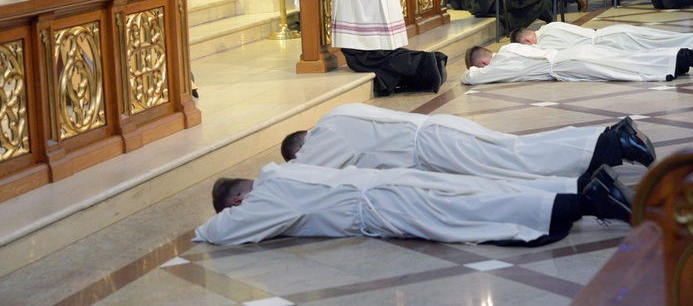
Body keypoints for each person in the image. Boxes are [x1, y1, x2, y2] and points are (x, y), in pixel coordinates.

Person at [194, 161, 633, 247]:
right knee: (478, 191)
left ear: (237, 199)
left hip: (382, 205)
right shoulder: (281, 172)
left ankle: (584, 202)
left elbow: (218, 232)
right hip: (388, 181)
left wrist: (202, 226)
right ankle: (578, 190)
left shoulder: (263, 198)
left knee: (470, 215)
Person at [278, 103, 655, 190]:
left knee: (514, 157)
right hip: (436, 132)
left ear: (301, 146)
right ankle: (605, 142)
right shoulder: (339, 113)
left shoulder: (325, 133)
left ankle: (609, 143)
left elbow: (307, 175)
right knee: (516, 149)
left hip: (430, 146)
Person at [462, 40, 693, 85]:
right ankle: (688, 56)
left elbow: (471, 77)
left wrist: (472, 69)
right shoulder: (510, 48)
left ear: (483, 62)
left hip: (566, 65)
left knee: (624, 68)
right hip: (568, 54)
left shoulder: (497, 64)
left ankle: (690, 57)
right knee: (626, 60)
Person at [511, 23, 693, 55]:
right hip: (612, 32)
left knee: (669, 44)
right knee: (669, 39)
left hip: (613, 42)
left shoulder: (545, 44)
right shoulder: (551, 26)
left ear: (527, 42)